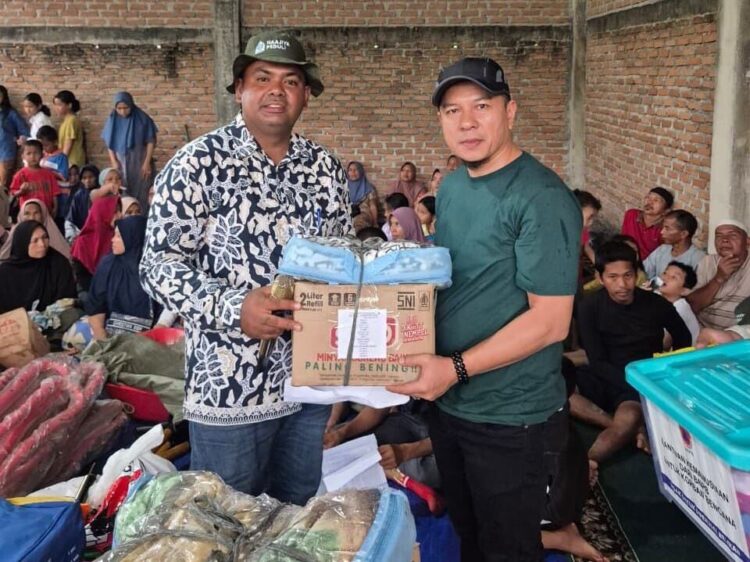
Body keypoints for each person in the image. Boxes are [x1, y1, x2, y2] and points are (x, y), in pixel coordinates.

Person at [140, 30, 352, 505]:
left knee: (295, 510)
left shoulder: (325, 170)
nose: (277, 91)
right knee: (227, 516)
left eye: (291, 81)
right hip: (229, 390)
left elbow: (343, 261)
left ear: (306, 95)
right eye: (262, 78)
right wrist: (233, 306)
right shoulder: (197, 164)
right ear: (239, 89)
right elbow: (156, 266)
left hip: (307, 386)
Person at [387, 56, 582, 562]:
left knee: (508, 548)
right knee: (468, 536)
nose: (467, 123)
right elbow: (454, 280)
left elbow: (551, 322)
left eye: (481, 106)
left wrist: (453, 367)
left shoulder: (540, 197)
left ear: (510, 111)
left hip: (510, 416)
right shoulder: (453, 187)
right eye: (452, 111)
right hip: (451, 405)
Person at [571, 241, 691, 481]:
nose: (622, 285)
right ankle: (630, 428)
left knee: (627, 419)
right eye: (613, 277)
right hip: (603, 374)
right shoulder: (589, 307)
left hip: (639, 380)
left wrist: (661, 378)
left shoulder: (656, 304)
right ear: (600, 277)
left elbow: (684, 338)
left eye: (627, 276)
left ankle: (590, 462)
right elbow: (596, 360)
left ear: (636, 274)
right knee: (558, 393)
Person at [86, 215, 158, 339]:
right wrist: (101, 336)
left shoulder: (154, 268)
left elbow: (166, 310)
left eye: (119, 236)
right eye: (114, 235)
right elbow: (96, 306)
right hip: (111, 329)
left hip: (151, 333)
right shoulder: (108, 264)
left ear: (133, 238)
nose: (112, 240)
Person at [0, 220, 76, 314]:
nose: (42, 244)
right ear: (23, 243)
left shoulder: (58, 263)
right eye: (35, 240)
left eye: (45, 237)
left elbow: (67, 299)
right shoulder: (5, 272)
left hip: (55, 318)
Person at [688, 220, 750, 330]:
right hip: (702, 331)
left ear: (747, 242)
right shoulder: (707, 262)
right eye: (719, 236)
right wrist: (719, 278)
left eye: (733, 235)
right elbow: (692, 306)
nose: (724, 240)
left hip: (740, 335)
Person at [101, 92, 158, 209]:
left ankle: (143, 217)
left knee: (143, 189)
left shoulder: (142, 119)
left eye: (126, 108)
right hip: (121, 162)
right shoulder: (112, 119)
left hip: (140, 160)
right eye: (119, 108)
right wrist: (114, 161)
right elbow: (109, 143)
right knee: (124, 189)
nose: (122, 111)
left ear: (131, 105)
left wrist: (147, 162)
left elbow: (151, 141)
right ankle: (127, 216)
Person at [70, 195, 121, 293]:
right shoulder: (82, 243)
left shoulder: (117, 237)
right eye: (115, 212)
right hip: (89, 290)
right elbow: (82, 277)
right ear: (102, 212)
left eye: (120, 211)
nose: (120, 215)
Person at [643, 209, 705, 280]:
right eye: (663, 227)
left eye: (667, 228)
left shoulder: (699, 259)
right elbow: (643, 272)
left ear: (683, 234)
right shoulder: (662, 250)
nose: (662, 232)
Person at [0, 198, 70, 261]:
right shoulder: (15, 234)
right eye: (27, 213)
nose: (32, 217)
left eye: (36, 213)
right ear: (21, 216)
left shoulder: (54, 236)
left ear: (43, 214)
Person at [0, 85, 30, 227]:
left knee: (2, 186)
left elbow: (24, 131)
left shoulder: (10, 113)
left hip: (6, 153)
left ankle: (3, 216)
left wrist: (19, 140)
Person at [9, 139, 60, 216]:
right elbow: (13, 193)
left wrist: (55, 208)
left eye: (36, 153)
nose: (32, 156)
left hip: (46, 212)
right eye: (28, 153)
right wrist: (21, 191)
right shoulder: (20, 175)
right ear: (23, 156)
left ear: (42, 154)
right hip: (28, 214)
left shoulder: (49, 174)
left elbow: (55, 193)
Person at [620, 186, 673, 260]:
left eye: (656, 200)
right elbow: (622, 239)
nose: (649, 202)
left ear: (666, 211)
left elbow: (662, 257)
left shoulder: (664, 229)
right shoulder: (631, 214)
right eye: (648, 197)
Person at [657, 261, 700, 344]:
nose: (665, 278)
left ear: (684, 291)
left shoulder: (680, 309)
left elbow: (664, 343)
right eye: (665, 273)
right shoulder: (657, 294)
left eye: (674, 277)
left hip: (688, 351)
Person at [65, 163, 99, 242]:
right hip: (82, 235)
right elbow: (71, 217)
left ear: (97, 177)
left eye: (91, 177)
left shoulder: (101, 193)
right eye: (84, 178)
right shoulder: (79, 195)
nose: (87, 180)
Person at [53, 90, 86, 168]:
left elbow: (68, 143)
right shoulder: (67, 120)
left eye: (59, 105)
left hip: (72, 161)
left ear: (69, 105)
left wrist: (62, 162)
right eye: (55, 105)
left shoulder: (71, 120)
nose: (56, 108)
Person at [346, 160, 378, 231]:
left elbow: (373, 206)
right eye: (350, 170)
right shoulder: (343, 187)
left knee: (359, 223)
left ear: (361, 171)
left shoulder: (368, 188)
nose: (353, 172)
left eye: (356, 170)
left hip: (363, 214)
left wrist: (375, 223)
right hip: (347, 212)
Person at [573, 189, 601, 266]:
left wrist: (600, 266)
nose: (591, 222)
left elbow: (586, 247)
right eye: (589, 217)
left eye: (593, 218)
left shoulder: (583, 231)